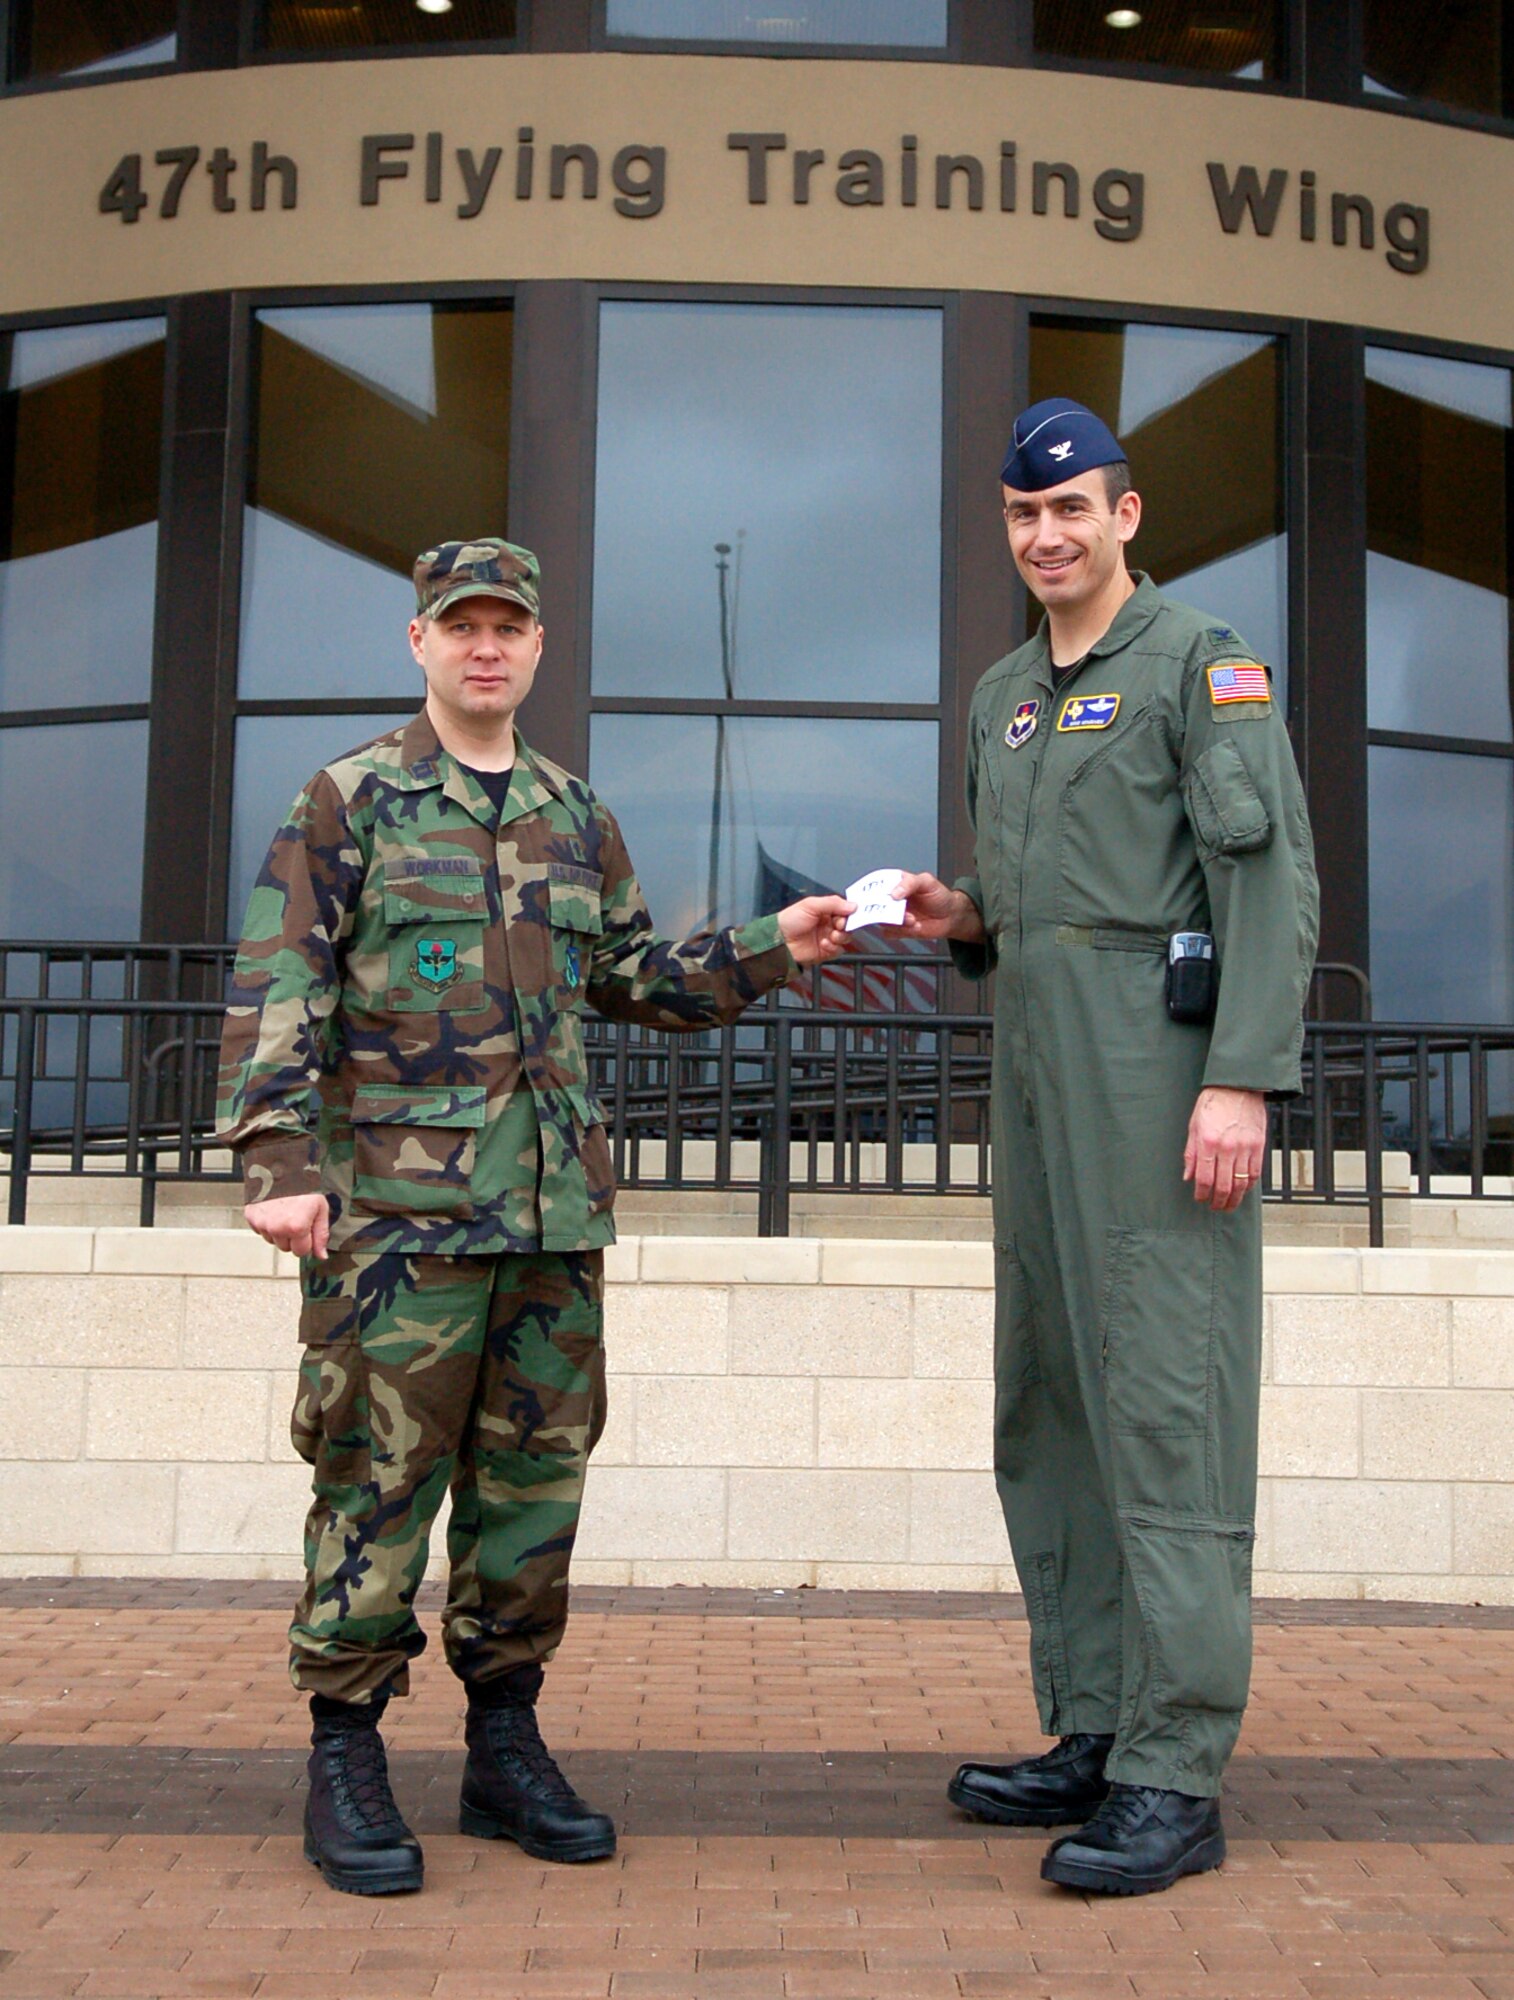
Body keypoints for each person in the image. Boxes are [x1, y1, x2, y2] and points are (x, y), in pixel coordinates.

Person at [216, 538, 851, 1898]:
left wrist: (769, 947)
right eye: (462, 626)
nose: (486, 647)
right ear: (421, 642)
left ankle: (503, 1745)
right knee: (376, 1485)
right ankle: (345, 1751)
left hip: (553, 1222)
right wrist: (278, 1162)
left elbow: (628, 975)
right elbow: (280, 982)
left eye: (508, 626)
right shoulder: (350, 801)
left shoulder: (576, 813)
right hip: (397, 1230)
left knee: (532, 1495)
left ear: (540, 645)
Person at [894, 401, 1318, 1895]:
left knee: (1163, 1403)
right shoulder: (1003, 693)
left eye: (1072, 508)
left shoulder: (1202, 663)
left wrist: (1240, 1079)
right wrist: (962, 916)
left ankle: (1174, 1769)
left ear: (1125, 516)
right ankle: (1093, 1724)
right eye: (1024, 514)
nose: (1047, 535)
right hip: (1034, 1083)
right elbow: (1033, 900)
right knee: (1052, 1401)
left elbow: (1265, 879)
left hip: (1156, 1076)